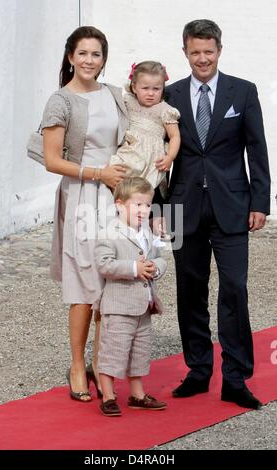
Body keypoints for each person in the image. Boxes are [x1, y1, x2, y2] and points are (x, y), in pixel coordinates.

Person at [165, 19, 271, 409]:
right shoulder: (169, 94)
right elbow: (158, 160)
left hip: (234, 206)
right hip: (181, 207)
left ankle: (236, 377)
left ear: (219, 50)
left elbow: (256, 149)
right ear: (186, 52)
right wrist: (160, 211)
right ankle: (197, 370)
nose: (203, 58)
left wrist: (261, 202)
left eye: (209, 51)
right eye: (196, 52)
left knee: (235, 290)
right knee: (188, 292)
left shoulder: (243, 91)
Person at [42, 26, 128, 402]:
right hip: (81, 195)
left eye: (96, 54)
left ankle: (99, 362)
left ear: (103, 59)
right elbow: (51, 160)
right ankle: (77, 365)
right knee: (84, 285)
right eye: (83, 54)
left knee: (110, 282)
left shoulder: (114, 95)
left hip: (116, 197)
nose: (89, 61)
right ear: (70, 57)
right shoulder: (60, 100)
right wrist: (98, 174)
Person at [94, 177, 167, 416]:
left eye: (147, 205)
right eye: (137, 205)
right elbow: (104, 265)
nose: (143, 210)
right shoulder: (108, 232)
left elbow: (160, 258)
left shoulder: (147, 232)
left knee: (140, 352)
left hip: (144, 306)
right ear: (119, 204)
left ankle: (137, 394)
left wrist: (155, 267)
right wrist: (134, 268)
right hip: (118, 306)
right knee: (113, 351)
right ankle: (108, 395)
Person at [110, 61, 181, 194]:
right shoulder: (128, 102)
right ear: (134, 87)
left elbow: (174, 136)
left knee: (147, 192)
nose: (150, 93)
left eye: (156, 89)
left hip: (151, 159)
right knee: (121, 182)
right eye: (145, 88)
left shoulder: (165, 110)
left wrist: (170, 157)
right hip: (129, 152)